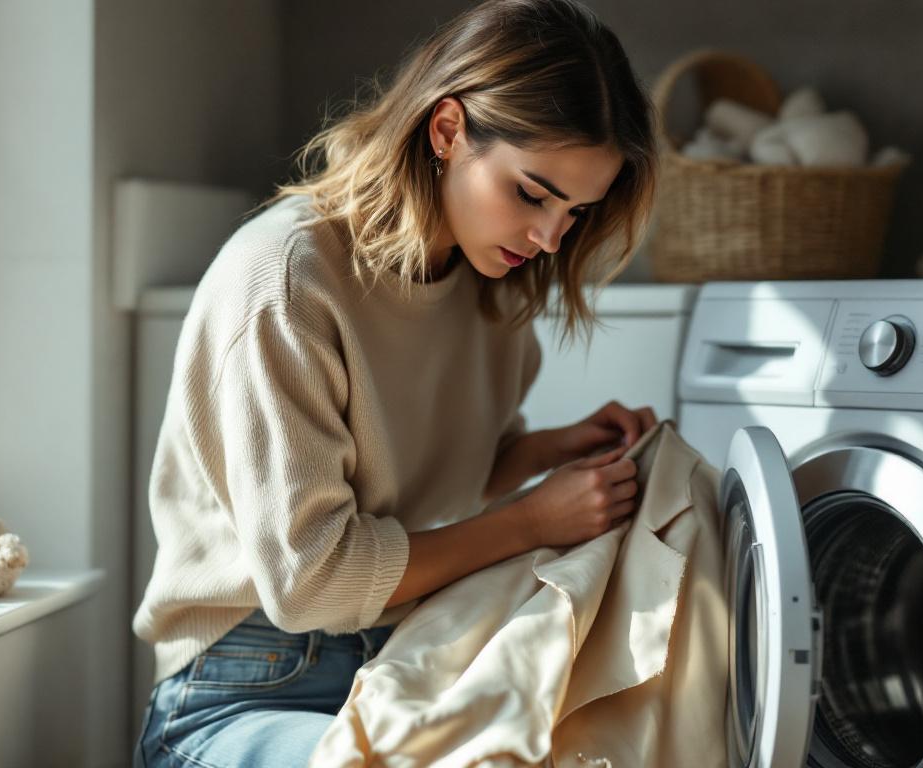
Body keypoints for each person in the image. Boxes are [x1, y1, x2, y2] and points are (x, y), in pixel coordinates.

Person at [133, 1, 659, 765]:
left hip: (401, 659)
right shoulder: (285, 278)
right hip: (243, 688)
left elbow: (426, 478)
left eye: (576, 212)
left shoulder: (495, 284)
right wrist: (533, 521)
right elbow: (313, 580)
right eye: (532, 193)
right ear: (447, 131)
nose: (549, 238)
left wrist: (549, 450)